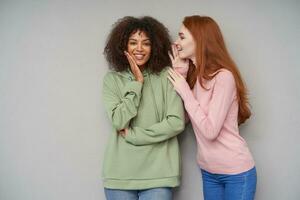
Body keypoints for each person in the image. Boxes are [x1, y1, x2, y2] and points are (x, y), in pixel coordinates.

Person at [167, 15, 257, 200]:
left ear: (200, 40)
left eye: (182, 37)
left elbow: (210, 130)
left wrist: (184, 90)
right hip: (209, 172)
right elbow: (181, 119)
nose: (176, 43)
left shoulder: (224, 77)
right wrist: (182, 76)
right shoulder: (195, 79)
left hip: (236, 173)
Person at [102, 16, 185, 200]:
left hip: (159, 173)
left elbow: (176, 122)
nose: (139, 49)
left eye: (146, 43)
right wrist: (137, 83)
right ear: (123, 46)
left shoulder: (166, 77)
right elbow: (118, 121)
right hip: (120, 174)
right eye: (133, 43)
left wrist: (135, 135)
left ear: (154, 47)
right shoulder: (112, 80)